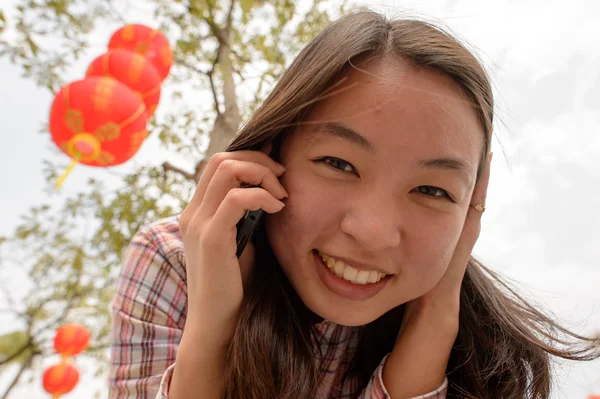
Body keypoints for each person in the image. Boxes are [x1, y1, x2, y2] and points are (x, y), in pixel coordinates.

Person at [108, 10, 600, 399]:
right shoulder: (174, 262)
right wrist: (212, 329)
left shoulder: (481, 348)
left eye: (433, 190)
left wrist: (433, 318)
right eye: (339, 164)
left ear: (472, 207)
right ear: (272, 153)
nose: (373, 231)